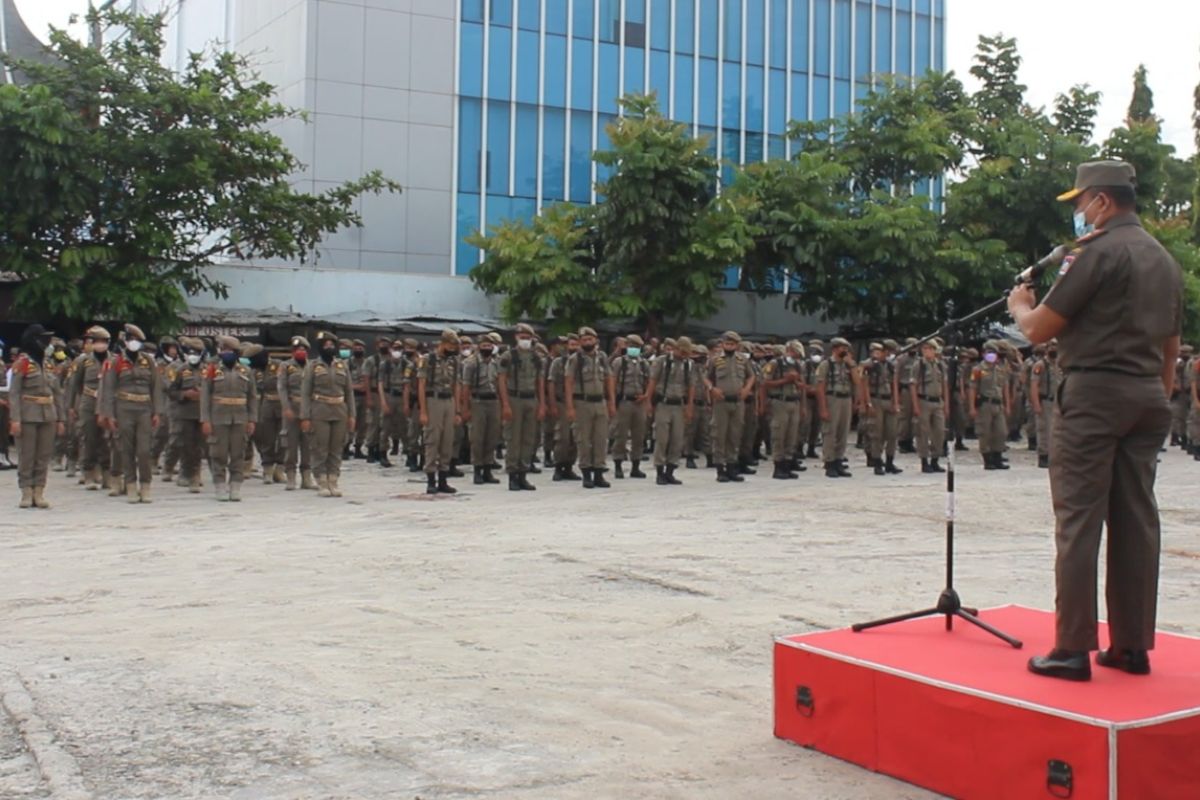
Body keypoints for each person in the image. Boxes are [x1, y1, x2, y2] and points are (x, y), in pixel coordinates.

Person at [1008, 160, 1184, 681]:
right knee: (1136, 521)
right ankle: (1131, 647)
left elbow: (1039, 329)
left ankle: (1071, 648)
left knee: (1079, 521)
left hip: (1095, 395)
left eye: (1082, 203)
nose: (1080, 213)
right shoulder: (1164, 260)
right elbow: (1171, 346)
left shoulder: (1095, 253)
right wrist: (1155, 395)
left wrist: (1020, 305)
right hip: (1149, 395)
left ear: (1102, 202)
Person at [99, 324, 161, 503]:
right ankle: (131, 485)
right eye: (131, 340)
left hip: (144, 409)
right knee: (126, 449)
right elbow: (109, 390)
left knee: (143, 450)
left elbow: (156, 387)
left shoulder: (148, 362)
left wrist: (157, 411)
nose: (134, 343)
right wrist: (109, 414)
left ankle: (146, 485)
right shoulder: (116, 362)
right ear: (125, 341)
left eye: (137, 341)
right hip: (124, 408)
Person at [9, 325, 64, 509]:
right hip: (28, 414)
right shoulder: (22, 363)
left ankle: (39, 491)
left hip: (48, 414)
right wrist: (15, 419)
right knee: (27, 455)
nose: (47, 344)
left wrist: (61, 418)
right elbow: (14, 393)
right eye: (43, 339)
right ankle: (26, 491)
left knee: (43, 455)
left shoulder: (48, 363)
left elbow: (57, 393)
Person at [201, 337, 259, 501]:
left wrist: (252, 419)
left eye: (228, 349)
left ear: (235, 352)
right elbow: (205, 396)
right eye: (222, 349)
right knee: (218, 453)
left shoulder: (245, 371)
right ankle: (219, 485)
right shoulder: (212, 369)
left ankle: (235, 485)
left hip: (240, 418)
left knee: (238, 453)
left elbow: (252, 397)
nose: (225, 352)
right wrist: (205, 420)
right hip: (218, 417)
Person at [301, 332, 356, 497]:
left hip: (340, 410)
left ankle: (333, 479)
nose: (329, 348)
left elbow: (349, 392)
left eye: (332, 345)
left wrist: (352, 415)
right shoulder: (312, 366)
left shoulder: (342, 366)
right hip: (320, 410)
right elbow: (305, 393)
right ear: (320, 347)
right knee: (320, 447)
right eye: (326, 345)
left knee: (336, 447)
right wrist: (305, 416)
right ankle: (322, 481)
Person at [497, 324, 545, 491]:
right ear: (516, 337)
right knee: (513, 439)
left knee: (528, 439)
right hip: (514, 398)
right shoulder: (508, 356)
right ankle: (512, 475)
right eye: (522, 336)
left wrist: (542, 404)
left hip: (531, 398)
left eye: (528, 337)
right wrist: (505, 404)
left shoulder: (536, 357)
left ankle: (523, 474)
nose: (525, 339)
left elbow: (540, 381)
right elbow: (502, 380)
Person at [564, 327, 613, 489]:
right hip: (582, 403)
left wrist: (612, 402)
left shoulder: (602, 357)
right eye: (584, 340)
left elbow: (609, 379)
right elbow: (569, 382)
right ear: (579, 342)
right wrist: (570, 406)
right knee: (583, 439)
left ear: (596, 340)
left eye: (590, 339)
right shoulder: (575, 359)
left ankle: (599, 472)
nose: (587, 343)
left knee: (600, 438)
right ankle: (586, 473)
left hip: (600, 402)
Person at [644, 335, 696, 486]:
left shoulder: (689, 364)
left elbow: (691, 386)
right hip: (663, 404)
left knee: (677, 439)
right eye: (682, 352)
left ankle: (670, 471)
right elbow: (652, 381)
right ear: (676, 348)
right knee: (662, 438)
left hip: (679, 405)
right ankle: (660, 472)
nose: (684, 355)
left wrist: (690, 407)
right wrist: (648, 400)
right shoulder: (662, 361)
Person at [707, 331, 755, 483]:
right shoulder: (715, 360)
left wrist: (747, 388)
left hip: (738, 401)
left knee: (735, 435)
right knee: (719, 435)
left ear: (737, 345)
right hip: (721, 402)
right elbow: (706, 377)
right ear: (722, 344)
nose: (729, 346)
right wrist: (711, 389)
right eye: (727, 343)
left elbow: (751, 376)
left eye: (732, 344)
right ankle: (720, 469)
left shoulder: (742, 360)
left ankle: (732, 467)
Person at [418, 330, 462, 495]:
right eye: (451, 345)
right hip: (433, 400)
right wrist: (423, 410)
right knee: (432, 440)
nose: (453, 348)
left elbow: (456, 385)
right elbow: (421, 385)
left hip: (448, 400)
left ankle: (443, 479)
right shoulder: (428, 360)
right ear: (443, 343)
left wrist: (457, 410)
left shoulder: (455, 361)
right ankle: (431, 479)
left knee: (447, 440)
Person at [462, 332, 504, 487]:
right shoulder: (471, 363)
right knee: (478, 437)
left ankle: (488, 468)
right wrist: (465, 408)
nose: (487, 348)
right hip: (478, 400)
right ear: (478, 346)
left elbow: (500, 383)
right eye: (484, 345)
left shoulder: (496, 362)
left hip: (493, 401)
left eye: (489, 345)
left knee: (492, 436)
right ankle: (477, 469)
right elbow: (465, 386)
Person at [761, 340, 805, 479]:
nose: (796, 356)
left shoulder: (798, 366)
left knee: (791, 435)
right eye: (795, 352)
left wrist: (803, 405)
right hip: (779, 401)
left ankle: (787, 463)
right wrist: (785, 381)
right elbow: (765, 383)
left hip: (794, 401)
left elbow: (801, 385)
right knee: (778, 434)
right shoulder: (775, 364)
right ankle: (778, 466)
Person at [816, 337, 858, 478]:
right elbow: (820, 387)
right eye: (842, 347)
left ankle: (839, 460)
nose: (845, 350)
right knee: (830, 432)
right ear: (834, 349)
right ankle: (829, 462)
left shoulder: (848, 365)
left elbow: (857, 382)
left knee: (843, 432)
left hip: (846, 398)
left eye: (846, 348)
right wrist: (823, 408)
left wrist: (851, 365)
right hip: (832, 398)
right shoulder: (826, 364)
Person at [278, 335, 316, 491]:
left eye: (303, 349)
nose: (300, 352)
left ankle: (307, 477)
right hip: (292, 408)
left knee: (308, 445)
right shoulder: (286, 366)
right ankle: (291, 476)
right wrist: (286, 407)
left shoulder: (313, 366)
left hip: (308, 410)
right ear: (293, 351)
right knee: (291, 444)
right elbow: (282, 388)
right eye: (297, 349)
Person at [610, 334, 650, 479]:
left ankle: (635, 466)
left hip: (639, 402)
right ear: (627, 346)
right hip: (624, 402)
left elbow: (648, 382)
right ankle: (618, 465)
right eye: (632, 346)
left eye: (638, 347)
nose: (635, 349)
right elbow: (613, 382)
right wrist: (612, 402)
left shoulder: (644, 363)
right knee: (620, 434)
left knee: (639, 436)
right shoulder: (619, 362)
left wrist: (646, 396)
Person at [969, 341, 1012, 471]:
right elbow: (972, 388)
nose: (991, 355)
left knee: (1001, 432)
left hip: (998, 404)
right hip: (984, 404)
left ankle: (997, 457)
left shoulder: (1000, 370)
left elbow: (1004, 387)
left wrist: (1007, 404)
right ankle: (988, 460)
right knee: (985, 433)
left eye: (994, 353)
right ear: (983, 354)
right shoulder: (978, 370)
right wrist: (971, 407)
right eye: (989, 353)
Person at [861, 341, 902, 476]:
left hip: (888, 399)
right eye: (886, 352)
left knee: (892, 433)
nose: (888, 354)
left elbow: (894, 384)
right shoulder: (870, 366)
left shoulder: (891, 366)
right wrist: (868, 404)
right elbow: (865, 385)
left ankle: (890, 461)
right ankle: (877, 462)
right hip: (876, 399)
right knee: (877, 433)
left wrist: (896, 402)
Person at [911, 340, 948, 474]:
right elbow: (913, 386)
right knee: (923, 433)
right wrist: (915, 406)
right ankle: (924, 461)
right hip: (924, 401)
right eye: (924, 349)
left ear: (935, 350)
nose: (927, 351)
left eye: (930, 348)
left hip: (937, 401)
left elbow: (944, 385)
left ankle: (935, 460)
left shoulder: (941, 365)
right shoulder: (919, 365)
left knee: (939, 432)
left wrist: (946, 404)